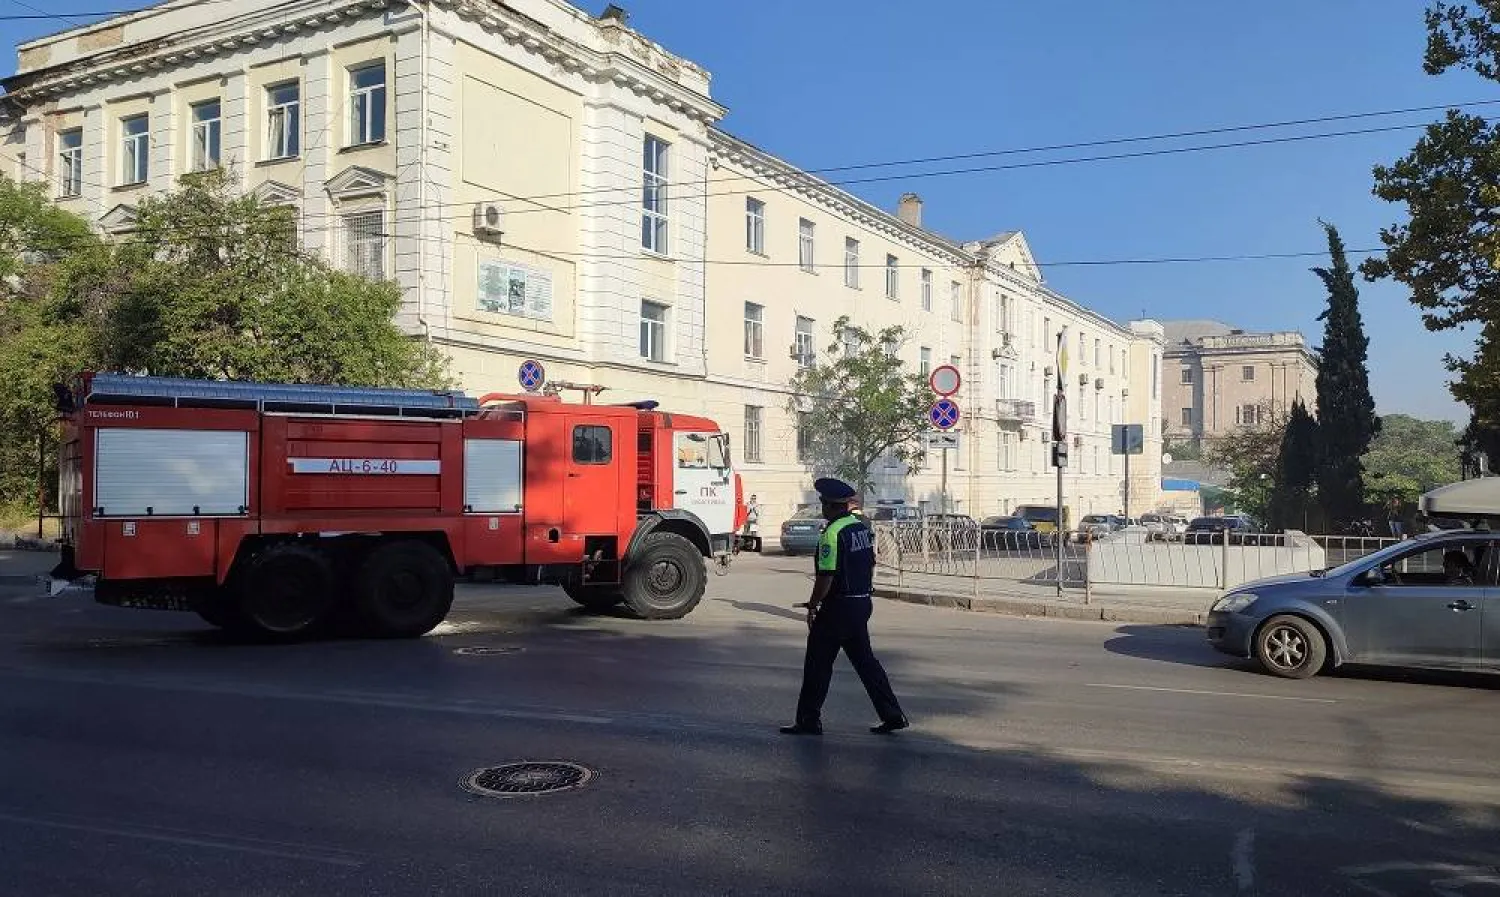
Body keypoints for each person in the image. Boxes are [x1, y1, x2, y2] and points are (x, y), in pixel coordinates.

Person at [781, 477, 908, 736]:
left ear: (829, 506)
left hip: (837, 609)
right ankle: (893, 715)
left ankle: (808, 720)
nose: (823, 508)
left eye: (823, 504)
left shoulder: (832, 533)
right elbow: (870, 563)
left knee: (817, 664)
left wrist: (813, 604)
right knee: (866, 663)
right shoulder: (859, 527)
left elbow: (826, 576)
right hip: (861, 603)